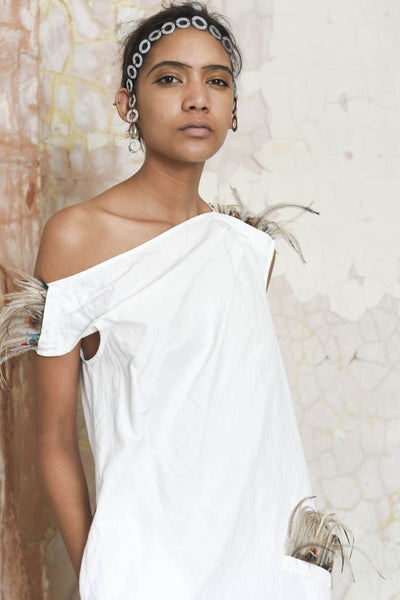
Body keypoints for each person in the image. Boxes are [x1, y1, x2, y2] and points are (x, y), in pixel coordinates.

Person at [0, 2, 336, 598]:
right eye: (170, 78)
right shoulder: (78, 238)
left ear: (234, 109)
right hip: (144, 572)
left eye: (217, 81)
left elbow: (244, 429)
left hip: (257, 568)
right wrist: (100, 574)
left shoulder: (246, 250)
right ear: (127, 104)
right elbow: (53, 441)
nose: (197, 98)